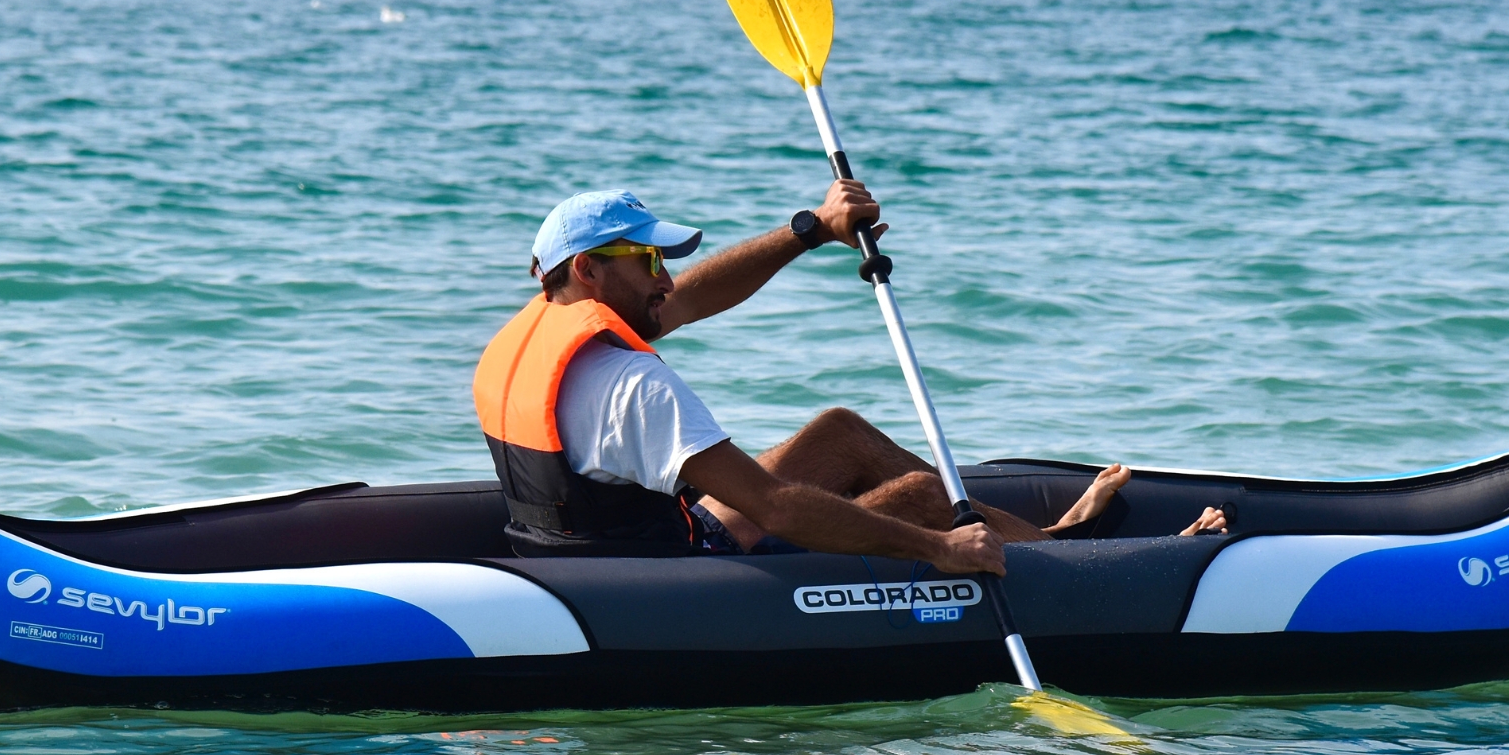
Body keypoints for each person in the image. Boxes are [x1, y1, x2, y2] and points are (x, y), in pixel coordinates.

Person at [472, 185, 1225, 573]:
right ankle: (1068, 562)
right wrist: (938, 550)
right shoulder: (631, 385)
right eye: (647, 262)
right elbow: (772, 505)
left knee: (837, 432)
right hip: (669, 572)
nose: (665, 278)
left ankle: (1043, 541)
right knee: (931, 502)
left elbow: (701, 292)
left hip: (606, 546)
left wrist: (813, 230)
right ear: (588, 268)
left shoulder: (542, 337)